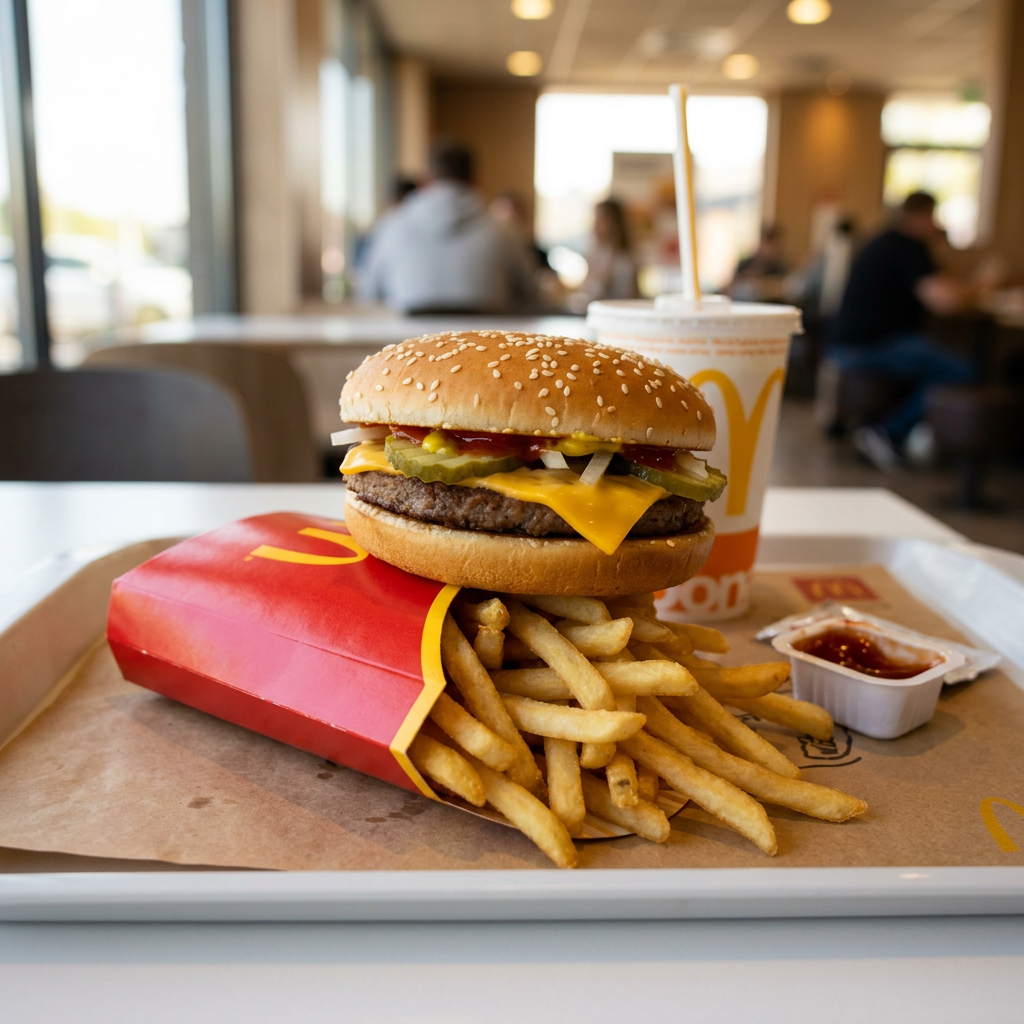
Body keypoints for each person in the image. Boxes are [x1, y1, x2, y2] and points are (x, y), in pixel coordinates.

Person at [831, 191, 992, 471]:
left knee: (931, 361)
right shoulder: (907, 247)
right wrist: (982, 284)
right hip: (873, 344)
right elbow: (944, 301)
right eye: (932, 216)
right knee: (962, 371)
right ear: (921, 216)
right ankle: (886, 432)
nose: (935, 224)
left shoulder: (884, 242)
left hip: (850, 342)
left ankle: (896, 432)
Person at [358, 142, 536, 314]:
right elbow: (531, 294)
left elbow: (369, 293)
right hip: (486, 339)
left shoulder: (391, 224)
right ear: (475, 179)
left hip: (404, 339)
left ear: (426, 180)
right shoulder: (503, 230)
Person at [578, 199, 638, 303]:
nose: (595, 226)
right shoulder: (597, 254)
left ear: (614, 223)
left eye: (600, 220)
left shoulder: (623, 261)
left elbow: (626, 299)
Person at [727, 225, 787, 302]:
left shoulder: (779, 268)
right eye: (764, 242)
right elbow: (731, 287)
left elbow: (783, 289)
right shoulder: (744, 264)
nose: (766, 248)